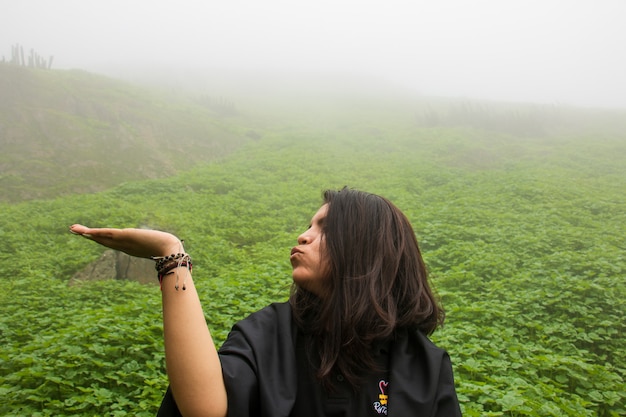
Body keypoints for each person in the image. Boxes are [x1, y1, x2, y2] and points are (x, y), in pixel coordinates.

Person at [70, 187, 462, 417]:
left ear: (368, 248)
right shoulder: (267, 333)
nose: (304, 235)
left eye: (324, 228)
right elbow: (205, 409)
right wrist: (171, 256)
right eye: (308, 225)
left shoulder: (425, 366)